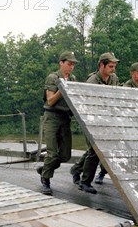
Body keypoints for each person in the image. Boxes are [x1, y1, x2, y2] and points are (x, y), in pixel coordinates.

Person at [70, 52, 120, 193]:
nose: (113, 69)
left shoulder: (114, 79)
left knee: (94, 151)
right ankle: (85, 182)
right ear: (101, 65)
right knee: (95, 151)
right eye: (110, 66)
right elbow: (84, 105)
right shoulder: (91, 81)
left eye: (114, 66)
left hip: (107, 120)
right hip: (91, 120)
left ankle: (76, 169)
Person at [36, 51, 78, 196]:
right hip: (52, 117)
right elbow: (50, 101)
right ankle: (46, 179)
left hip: (65, 118)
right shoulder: (53, 77)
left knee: (65, 155)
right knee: (52, 153)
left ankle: (45, 169)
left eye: (73, 64)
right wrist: (62, 89)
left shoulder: (73, 78)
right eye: (69, 63)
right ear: (61, 63)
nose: (71, 67)